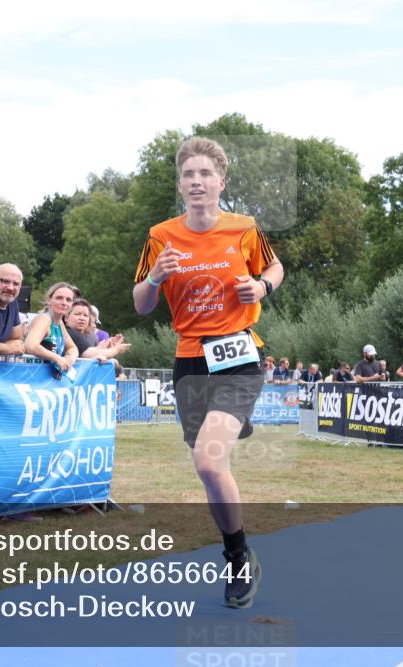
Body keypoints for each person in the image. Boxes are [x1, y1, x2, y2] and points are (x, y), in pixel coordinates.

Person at [131, 136, 283, 609]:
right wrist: (155, 276)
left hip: (238, 355)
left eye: (205, 174)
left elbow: (276, 268)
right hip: (191, 360)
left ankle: (236, 559)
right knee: (211, 472)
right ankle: (241, 550)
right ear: (180, 184)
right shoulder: (161, 236)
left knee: (208, 461)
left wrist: (259, 286)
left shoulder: (244, 228)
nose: (196, 182)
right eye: (188, 175)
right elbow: (140, 305)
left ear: (221, 181)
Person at [23, 281, 80, 377]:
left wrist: (71, 358)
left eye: (68, 300)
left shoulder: (60, 324)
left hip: (45, 379)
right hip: (30, 376)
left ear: (71, 305)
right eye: (59, 298)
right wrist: (57, 358)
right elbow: (30, 345)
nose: (64, 303)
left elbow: (72, 348)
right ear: (49, 300)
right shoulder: (44, 319)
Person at [65, 298, 130, 365]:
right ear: (66, 317)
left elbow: (91, 353)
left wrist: (107, 346)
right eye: (77, 314)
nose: (82, 318)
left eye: (85, 315)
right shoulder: (69, 333)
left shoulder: (77, 334)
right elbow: (90, 354)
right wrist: (117, 349)